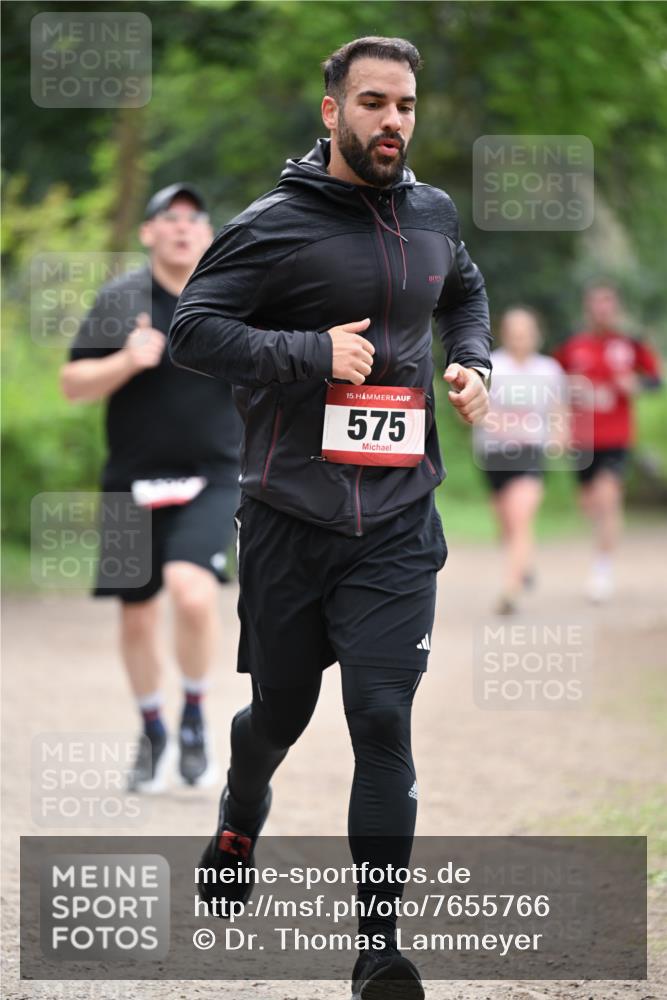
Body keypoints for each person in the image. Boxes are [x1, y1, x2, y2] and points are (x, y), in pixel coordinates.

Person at [170, 38, 491, 999]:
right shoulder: (273, 224)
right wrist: (311, 352)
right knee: (280, 711)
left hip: (397, 518)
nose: (391, 122)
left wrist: (473, 361)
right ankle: (239, 807)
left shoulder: (432, 214)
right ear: (331, 113)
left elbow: (463, 292)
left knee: (381, 714)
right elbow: (193, 331)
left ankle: (378, 949)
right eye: (372, 103)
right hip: (288, 517)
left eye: (404, 106)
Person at [60, 184, 243, 791]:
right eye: (171, 218)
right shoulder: (122, 299)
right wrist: (127, 361)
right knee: (136, 617)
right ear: (149, 233)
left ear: (209, 233)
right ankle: (153, 730)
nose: (183, 228)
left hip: (213, 476)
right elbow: (72, 385)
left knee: (191, 593)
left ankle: (193, 714)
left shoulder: (229, 298)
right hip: (130, 481)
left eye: (195, 218)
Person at [554, 282, 662, 602]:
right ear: (588, 309)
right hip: (582, 439)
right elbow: (553, 385)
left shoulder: (630, 345)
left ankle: (602, 570)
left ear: (616, 308)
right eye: (596, 304)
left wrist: (636, 385)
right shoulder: (572, 347)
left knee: (608, 498)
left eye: (607, 304)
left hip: (616, 437)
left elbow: (656, 380)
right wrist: (558, 424)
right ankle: (602, 545)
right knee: (590, 504)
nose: (602, 310)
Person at [475, 307, 568, 614]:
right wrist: (497, 424)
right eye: (514, 332)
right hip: (494, 456)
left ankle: (510, 591)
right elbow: (477, 409)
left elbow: (558, 409)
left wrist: (559, 435)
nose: (520, 338)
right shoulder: (492, 366)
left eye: (526, 331)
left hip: (530, 453)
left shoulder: (549, 369)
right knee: (506, 525)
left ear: (536, 334)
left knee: (520, 518)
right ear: (505, 334)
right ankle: (523, 563)